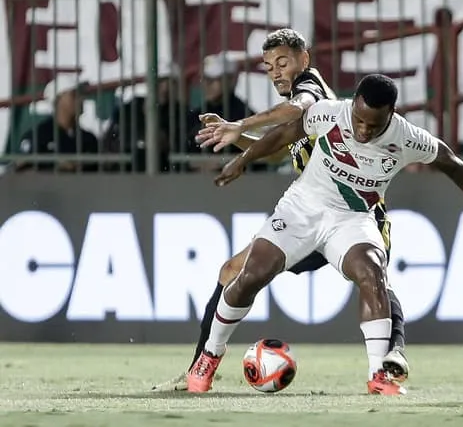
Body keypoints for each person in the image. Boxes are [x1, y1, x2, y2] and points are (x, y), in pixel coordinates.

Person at [189, 74, 463, 395]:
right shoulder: (330, 113)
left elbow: (455, 166)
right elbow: (284, 134)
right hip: (302, 209)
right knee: (252, 275)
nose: (362, 130)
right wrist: (244, 159)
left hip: (352, 219)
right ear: (353, 105)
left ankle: (379, 374)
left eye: (372, 125)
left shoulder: (407, 137)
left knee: (373, 271)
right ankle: (210, 356)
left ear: (390, 115)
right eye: (358, 120)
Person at [151, 29, 409, 392]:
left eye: (283, 62)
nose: (275, 71)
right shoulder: (302, 106)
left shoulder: (310, 88)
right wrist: (235, 138)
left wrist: (241, 123)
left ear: (304, 59)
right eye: (269, 65)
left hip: (354, 212)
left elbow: (298, 106)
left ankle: (394, 356)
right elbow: (276, 151)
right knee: (233, 271)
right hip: (312, 215)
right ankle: (199, 366)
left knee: (373, 279)